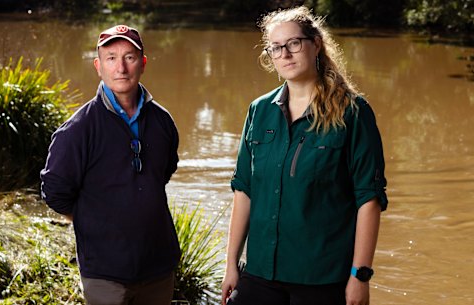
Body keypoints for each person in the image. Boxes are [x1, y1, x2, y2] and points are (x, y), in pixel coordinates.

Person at [221, 6, 388, 305]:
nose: (285, 54)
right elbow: (244, 190)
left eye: (294, 43)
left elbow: (369, 199)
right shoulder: (259, 111)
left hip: (322, 277)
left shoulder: (354, 113)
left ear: (316, 44)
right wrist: (231, 263)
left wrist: (360, 276)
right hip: (260, 272)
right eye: (275, 48)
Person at [40, 24, 180, 305]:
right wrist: (96, 221)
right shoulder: (78, 130)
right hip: (105, 272)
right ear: (98, 66)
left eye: (129, 57)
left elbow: (163, 172)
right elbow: (55, 191)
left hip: (159, 265)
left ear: (142, 64)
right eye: (111, 58)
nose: (121, 68)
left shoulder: (163, 121)